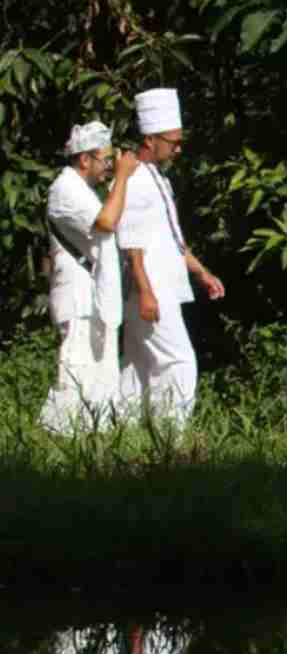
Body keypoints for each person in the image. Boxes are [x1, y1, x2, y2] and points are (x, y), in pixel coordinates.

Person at [119, 88, 225, 426]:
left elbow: (172, 239)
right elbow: (130, 239)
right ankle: (171, 440)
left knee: (138, 367)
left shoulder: (159, 180)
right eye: (173, 141)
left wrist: (202, 273)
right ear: (150, 139)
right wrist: (145, 290)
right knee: (179, 361)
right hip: (150, 288)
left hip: (162, 282)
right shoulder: (134, 178)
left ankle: (123, 435)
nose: (178, 149)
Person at [42, 122, 139, 434]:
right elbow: (107, 222)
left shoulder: (83, 190)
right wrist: (122, 177)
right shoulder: (65, 189)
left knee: (100, 373)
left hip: (93, 293)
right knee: (75, 370)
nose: (109, 167)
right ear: (85, 159)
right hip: (77, 295)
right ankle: (58, 437)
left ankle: (91, 441)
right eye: (106, 160)